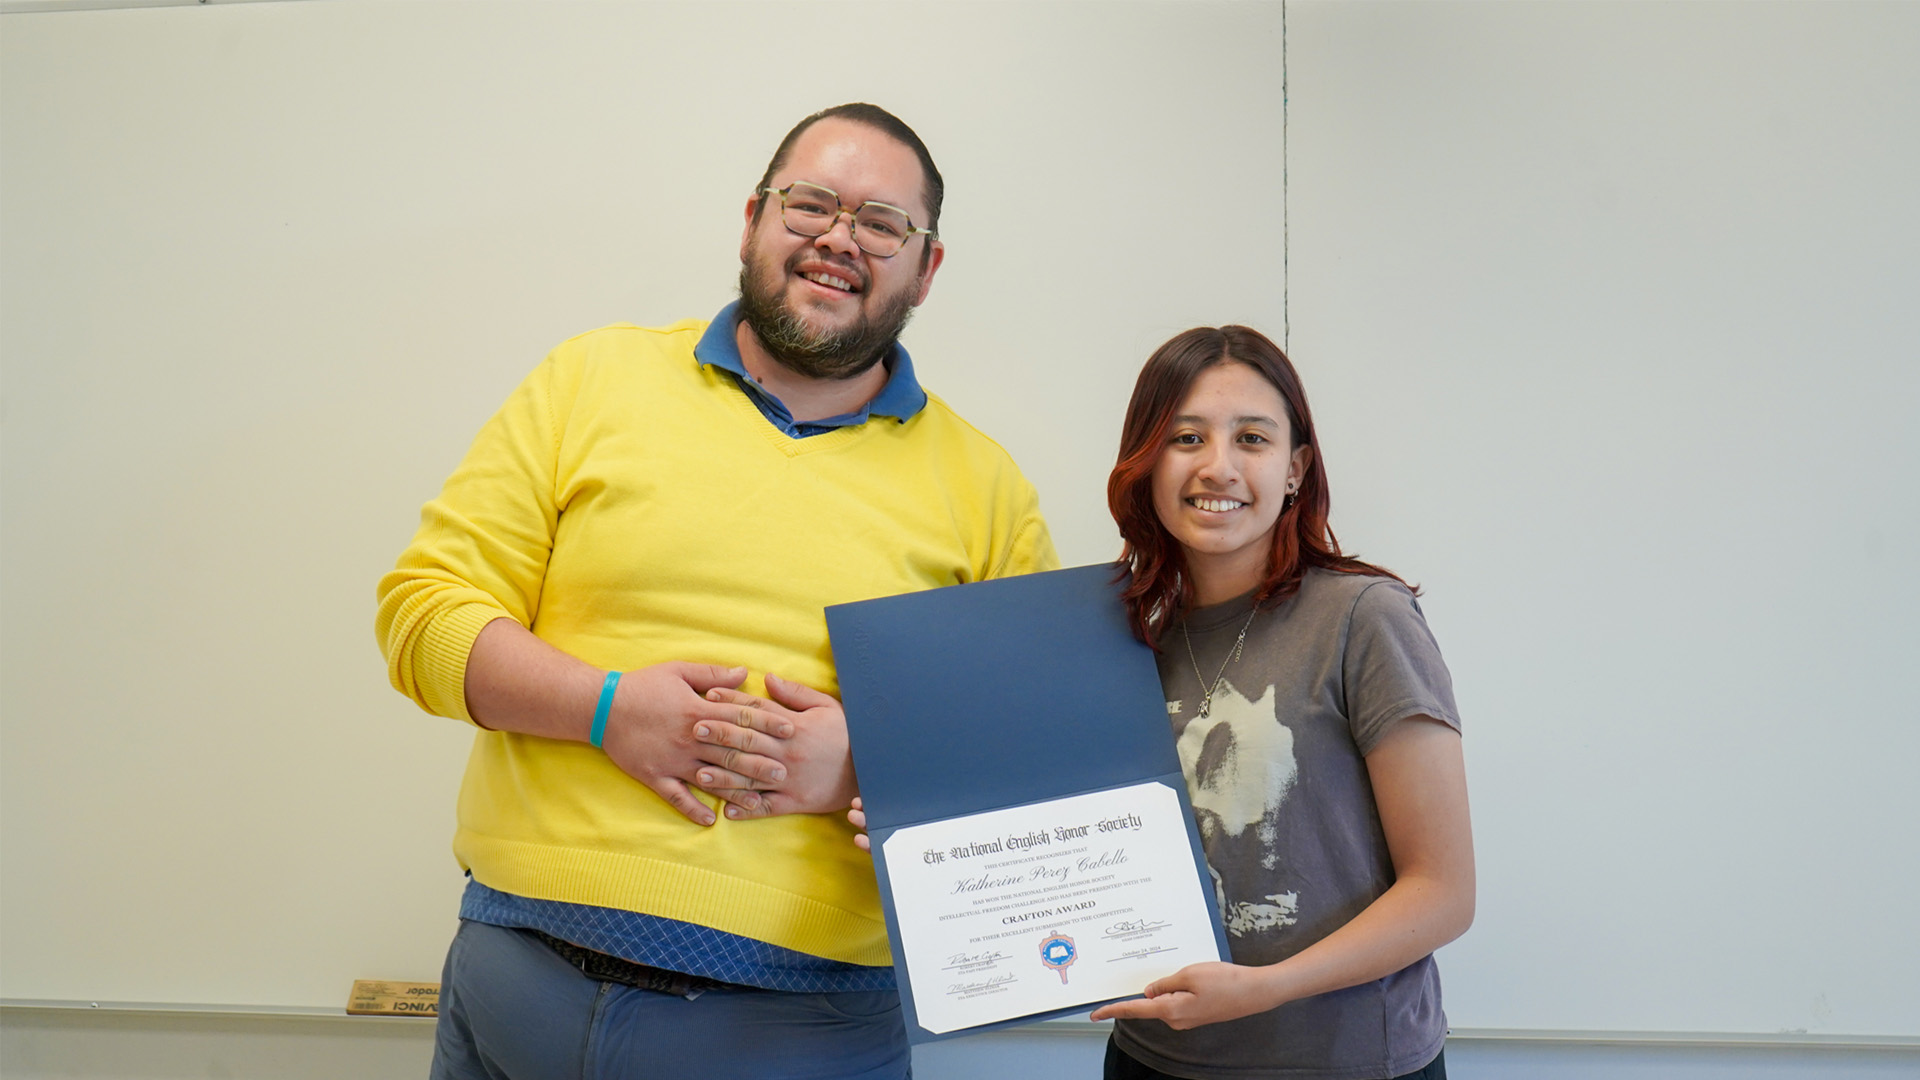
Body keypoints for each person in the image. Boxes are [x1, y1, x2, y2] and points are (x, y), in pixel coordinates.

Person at [375, 103, 1057, 1080]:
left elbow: (1036, 769)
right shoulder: (589, 380)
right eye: (811, 203)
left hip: (809, 1028)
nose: (836, 236)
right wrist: (606, 709)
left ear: (927, 269)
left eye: (880, 223)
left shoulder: (988, 492)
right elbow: (423, 612)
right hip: (520, 978)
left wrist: (873, 769)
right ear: (751, 219)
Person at [1086, 326, 1474, 1080]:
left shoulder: (1366, 619)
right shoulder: (1117, 636)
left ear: (1295, 469)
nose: (1217, 466)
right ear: (1145, 460)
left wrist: (1263, 990)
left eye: (1252, 438)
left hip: (1348, 1064)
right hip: (1156, 1060)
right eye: (1185, 437)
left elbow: (1444, 892)